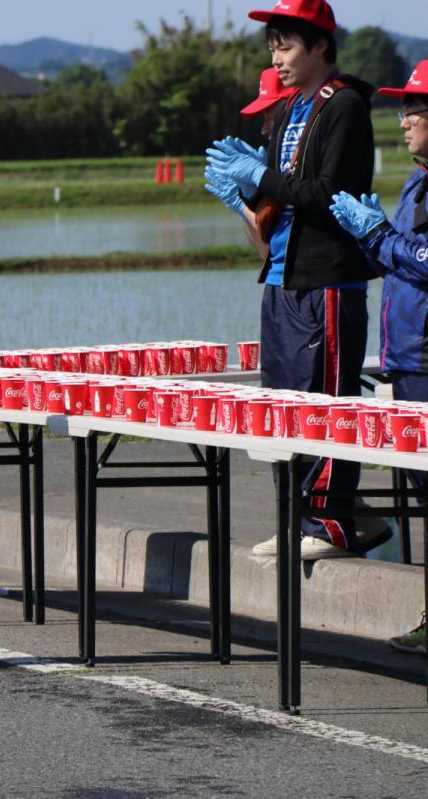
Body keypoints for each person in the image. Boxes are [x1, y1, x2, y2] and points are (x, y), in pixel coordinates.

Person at [207, 0, 376, 560]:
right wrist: (249, 193)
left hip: (327, 277)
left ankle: (330, 522)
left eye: (286, 46)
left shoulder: (344, 106)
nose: (277, 58)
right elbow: (280, 198)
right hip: (281, 276)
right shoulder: (287, 111)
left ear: (321, 45)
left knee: (326, 397)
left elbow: (328, 195)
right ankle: (296, 517)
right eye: (272, 47)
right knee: (283, 399)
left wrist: (266, 180)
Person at [329, 61, 428, 653]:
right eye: (405, 109)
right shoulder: (419, 178)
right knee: (423, 496)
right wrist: (364, 239)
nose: (405, 121)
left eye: (416, 109)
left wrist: (377, 237)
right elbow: (401, 257)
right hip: (409, 361)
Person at [205, 67, 298, 259]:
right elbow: (267, 253)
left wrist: (247, 202)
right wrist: (248, 202)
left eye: (270, 118)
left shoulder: (308, 166)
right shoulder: (277, 166)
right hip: (281, 282)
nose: (264, 129)